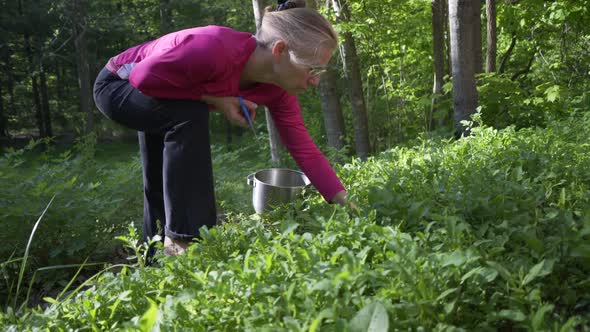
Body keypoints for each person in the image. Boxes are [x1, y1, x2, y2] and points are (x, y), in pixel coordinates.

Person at [93, 0, 351, 256]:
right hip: (118, 84)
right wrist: (213, 100)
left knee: (164, 171)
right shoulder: (215, 48)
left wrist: (346, 204)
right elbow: (142, 77)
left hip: (162, 92)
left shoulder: (278, 92)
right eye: (311, 68)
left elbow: (304, 149)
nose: (315, 80)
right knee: (188, 115)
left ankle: (153, 256)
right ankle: (184, 242)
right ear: (280, 50)